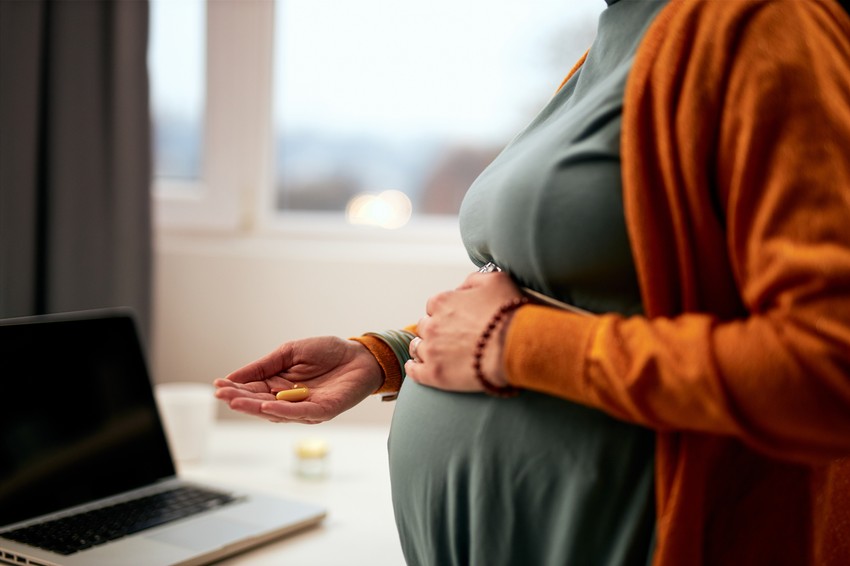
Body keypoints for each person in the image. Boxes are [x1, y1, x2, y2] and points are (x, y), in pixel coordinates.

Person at [214, 0, 850, 564]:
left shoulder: (767, 20)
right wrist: (391, 354)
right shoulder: (621, 34)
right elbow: (583, 297)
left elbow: (825, 368)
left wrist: (512, 345)